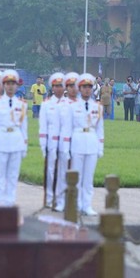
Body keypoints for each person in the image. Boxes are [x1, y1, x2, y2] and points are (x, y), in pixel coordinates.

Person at [60, 73, 104, 216]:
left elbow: (99, 129)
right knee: (76, 177)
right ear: (79, 88)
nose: (86, 90)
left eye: (89, 87)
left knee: (88, 178)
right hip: (77, 142)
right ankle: (75, 204)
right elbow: (67, 129)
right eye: (84, 87)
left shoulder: (97, 107)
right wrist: (66, 148)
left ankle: (87, 205)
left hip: (91, 142)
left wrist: (100, 146)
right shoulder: (72, 106)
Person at [0, 69, 28, 204]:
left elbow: (24, 127)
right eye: (8, 83)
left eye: (13, 84)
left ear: (17, 86)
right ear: (4, 85)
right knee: (0, 174)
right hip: (1, 140)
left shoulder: (21, 105)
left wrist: (24, 146)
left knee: (13, 174)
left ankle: (10, 200)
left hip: (16, 140)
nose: (10, 86)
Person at [40, 73, 66, 210]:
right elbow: (43, 126)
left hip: (64, 141)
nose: (58, 89)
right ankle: (49, 198)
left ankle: (60, 199)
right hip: (51, 141)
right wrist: (43, 144)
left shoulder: (69, 104)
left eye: (60, 86)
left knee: (63, 171)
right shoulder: (46, 104)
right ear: (52, 88)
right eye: (55, 86)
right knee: (50, 171)